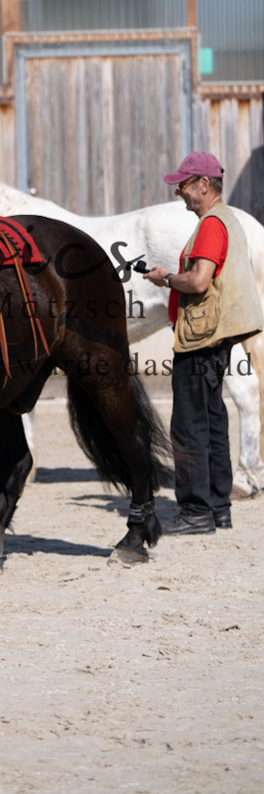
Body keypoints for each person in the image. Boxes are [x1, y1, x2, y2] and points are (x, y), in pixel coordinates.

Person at [144, 151, 263, 535]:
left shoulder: (211, 225)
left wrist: (165, 279)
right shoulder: (228, 219)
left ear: (203, 185)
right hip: (218, 335)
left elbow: (198, 281)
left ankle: (196, 511)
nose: (179, 191)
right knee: (212, 421)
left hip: (200, 336)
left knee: (188, 426)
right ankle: (218, 508)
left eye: (184, 184)